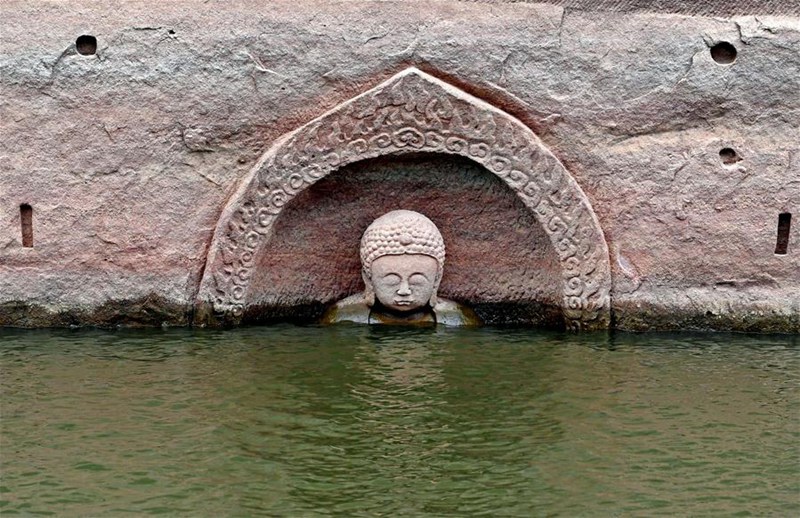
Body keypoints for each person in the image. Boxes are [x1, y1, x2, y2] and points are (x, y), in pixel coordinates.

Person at [322, 210, 480, 326]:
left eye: (417, 281)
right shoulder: (344, 319)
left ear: (436, 280)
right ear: (368, 279)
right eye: (391, 281)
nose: (404, 291)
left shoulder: (457, 320)